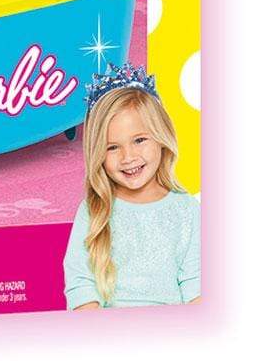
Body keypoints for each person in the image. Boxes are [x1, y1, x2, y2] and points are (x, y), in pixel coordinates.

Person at [63, 65, 200, 309]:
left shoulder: (187, 209)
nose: (128, 157)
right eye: (112, 147)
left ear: (161, 137)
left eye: (139, 140)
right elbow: (81, 286)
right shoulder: (94, 210)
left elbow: (196, 286)